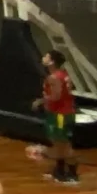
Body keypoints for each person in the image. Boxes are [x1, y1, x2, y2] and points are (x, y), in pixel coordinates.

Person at [33, 50, 80, 184]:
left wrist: (41, 101)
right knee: (59, 144)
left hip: (60, 115)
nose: (43, 57)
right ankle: (59, 172)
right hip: (64, 113)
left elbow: (56, 96)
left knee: (63, 145)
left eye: (46, 56)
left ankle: (72, 175)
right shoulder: (63, 74)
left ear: (52, 61)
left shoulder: (53, 77)